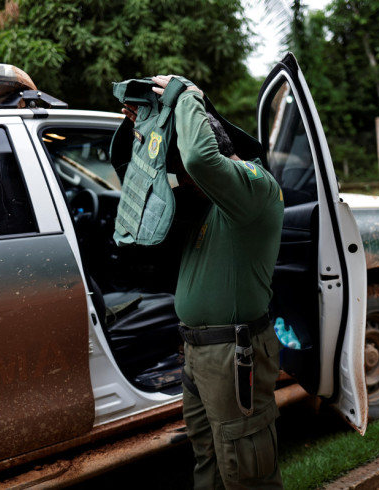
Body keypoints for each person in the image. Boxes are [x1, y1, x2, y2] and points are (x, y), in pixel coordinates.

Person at [123, 75, 285, 489]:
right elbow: (144, 181)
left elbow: (197, 158)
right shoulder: (206, 205)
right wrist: (144, 130)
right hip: (199, 352)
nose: (177, 171)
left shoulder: (254, 189)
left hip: (235, 352)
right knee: (208, 459)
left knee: (246, 468)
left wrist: (187, 95)